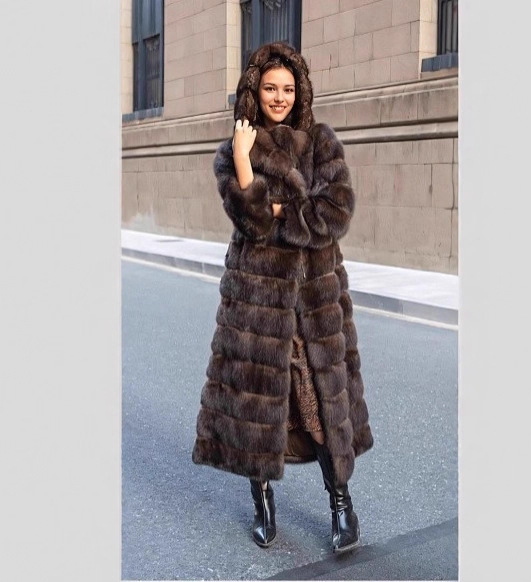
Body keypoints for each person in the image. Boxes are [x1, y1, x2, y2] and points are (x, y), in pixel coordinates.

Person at [192, 42, 374, 553]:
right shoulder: (234, 149)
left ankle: (341, 504)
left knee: (320, 405)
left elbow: (335, 211)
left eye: (288, 89)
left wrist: (277, 211)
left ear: (301, 92)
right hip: (256, 298)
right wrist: (246, 166)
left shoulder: (320, 142)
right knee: (262, 407)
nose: (279, 97)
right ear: (256, 89)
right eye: (270, 88)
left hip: (314, 299)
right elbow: (250, 221)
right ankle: (263, 504)